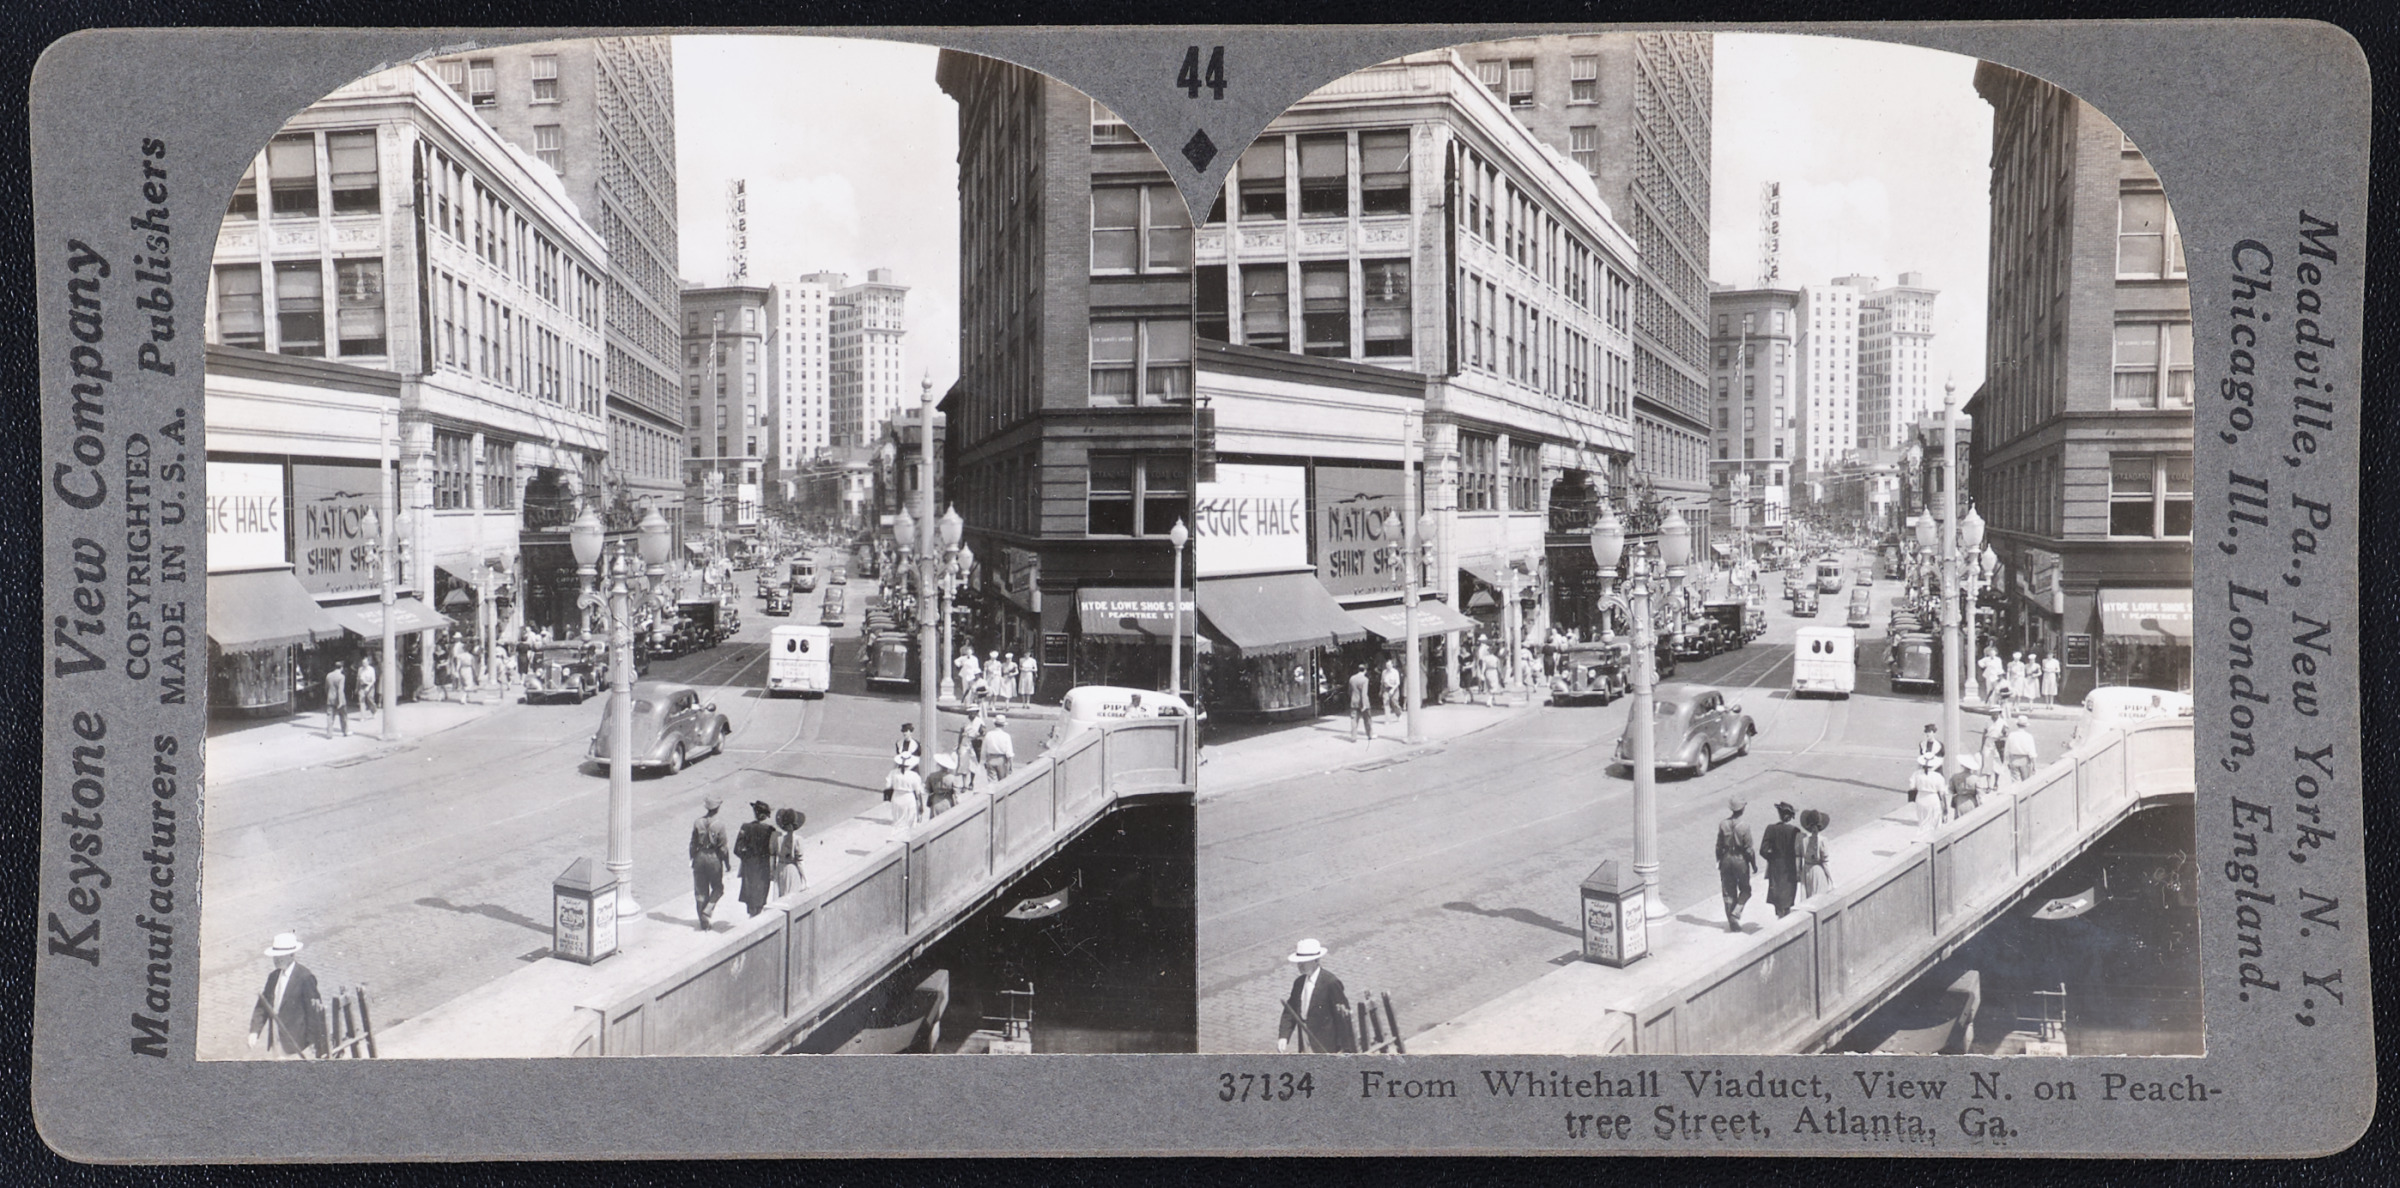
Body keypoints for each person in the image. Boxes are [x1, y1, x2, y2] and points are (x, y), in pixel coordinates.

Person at [248, 931, 327, 1059]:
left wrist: (314, 1044)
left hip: (297, 1046)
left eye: (281, 956)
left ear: (291, 954)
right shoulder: (273, 977)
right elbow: (263, 1006)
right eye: (275, 956)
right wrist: (254, 1031)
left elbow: (313, 1014)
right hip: (276, 1042)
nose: (277, 959)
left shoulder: (305, 977)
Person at [1275, 938, 1355, 1053]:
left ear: (1316, 961)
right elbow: (1290, 1011)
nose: (1300, 965)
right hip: (1306, 1042)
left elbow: (1342, 1018)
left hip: (1326, 1045)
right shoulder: (1299, 983)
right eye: (1299, 962)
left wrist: (1345, 1049)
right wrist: (1283, 1036)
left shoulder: (1330, 982)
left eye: (1304, 961)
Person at [1715, 798, 1757, 932]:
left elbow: (1718, 846)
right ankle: (1737, 911)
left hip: (1726, 859)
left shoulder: (1723, 824)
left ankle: (1731, 921)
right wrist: (1753, 864)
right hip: (1740, 860)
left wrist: (1719, 860)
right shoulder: (1745, 826)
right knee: (1746, 889)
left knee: (1728, 891)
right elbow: (1749, 849)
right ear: (1742, 809)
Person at [688, 794, 730, 929]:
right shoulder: (720, 825)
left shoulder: (697, 822)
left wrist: (693, 858)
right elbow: (723, 848)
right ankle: (709, 908)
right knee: (718, 888)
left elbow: (692, 843)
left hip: (699, 856)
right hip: (714, 857)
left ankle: (703, 922)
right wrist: (727, 863)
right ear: (717, 809)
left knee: (700, 891)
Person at [733, 800, 777, 917]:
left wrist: (747, 858)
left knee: (750, 899)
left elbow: (737, 849)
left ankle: (752, 918)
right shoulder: (770, 830)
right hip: (764, 868)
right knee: (761, 898)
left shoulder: (746, 827)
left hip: (749, 868)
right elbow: (773, 850)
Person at [1759, 802, 1804, 918]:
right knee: (1788, 897)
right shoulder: (1795, 831)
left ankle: (1780, 916)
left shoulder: (1771, 829)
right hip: (1790, 868)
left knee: (1777, 897)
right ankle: (1786, 916)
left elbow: (1763, 850)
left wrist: (1772, 858)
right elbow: (1799, 851)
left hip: (1776, 868)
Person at [771, 808, 806, 899]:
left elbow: (772, 857)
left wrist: (773, 871)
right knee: (792, 896)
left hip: (780, 869)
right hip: (791, 869)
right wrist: (806, 879)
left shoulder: (778, 839)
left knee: (781, 895)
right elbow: (800, 862)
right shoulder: (798, 840)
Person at [884, 753, 926, 827]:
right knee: (910, 822)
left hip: (896, 797)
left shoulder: (893, 773)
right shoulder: (914, 775)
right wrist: (921, 805)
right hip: (909, 798)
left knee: (897, 821)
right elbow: (918, 792)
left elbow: (887, 786)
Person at [1909, 753, 1949, 831]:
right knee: (1935, 823)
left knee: (1922, 822)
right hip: (1933, 799)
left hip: (1920, 798)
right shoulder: (1938, 776)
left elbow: (1912, 787)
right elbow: (1942, 793)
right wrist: (1945, 808)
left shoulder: (1916, 774)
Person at [1799, 809, 1833, 900]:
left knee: (1809, 897)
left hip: (1807, 872)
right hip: (1818, 872)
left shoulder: (1804, 841)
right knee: (1819, 898)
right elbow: (1825, 862)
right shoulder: (1822, 840)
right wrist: (1831, 880)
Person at [2005, 713, 2040, 782]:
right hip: (2025, 760)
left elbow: (2007, 750)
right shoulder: (2028, 736)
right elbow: (2032, 753)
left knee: (2015, 782)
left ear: (2017, 724)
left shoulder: (2011, 735)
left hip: (2013, 759)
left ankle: (2015, 792)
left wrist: (2007, 761)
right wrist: (2034, 766)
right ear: (2026, 726)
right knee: (2026, 782)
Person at [982, 713, 1016, 782]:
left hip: (990, 759)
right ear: (1003, 725)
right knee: (1002, 782)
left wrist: (985, 760)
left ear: (995, 724)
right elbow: (1009, 753)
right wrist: (1011, 766)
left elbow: (984, 749)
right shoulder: (1006, 736)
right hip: (1002, 760)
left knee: (991, 782)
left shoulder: (989, 734)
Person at [1347, 666, 1375, 742]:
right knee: (1367, 719)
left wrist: (1353, 697)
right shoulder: (1365, 680)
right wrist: (1364, 704)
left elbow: (1349, 690)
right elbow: (1364, 693)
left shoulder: (1352, 678)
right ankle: (1369, 734)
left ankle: (1353, 737)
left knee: (1354, 720)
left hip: (1354, 701)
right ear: (1365, 670)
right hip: (1363, 702)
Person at [323, 662, 349, 738]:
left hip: (330, 698)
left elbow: (326, 687)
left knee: (330, 716)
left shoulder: (328, 675)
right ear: (342, 668)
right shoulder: (341, 677)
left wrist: (328, 695)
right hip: (339, 699)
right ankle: (345, 731)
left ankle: (329, 734)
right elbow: (340, 690)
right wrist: (340, 701)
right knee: (343, 716)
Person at [1381, 657, 1403, 722]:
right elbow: (1382, 681)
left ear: (1392, 665)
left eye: (1389, 665)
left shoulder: (1395, 672)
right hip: (1386, 689)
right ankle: (1387, 719)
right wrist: (1381, 690)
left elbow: (1398, 683)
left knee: (1394, 702)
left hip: (1394, 688)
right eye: (1387, 665)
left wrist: (1392, 689)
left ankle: (1399, 714)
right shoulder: (1384, 672)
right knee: (1386, 703)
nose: (1388, 666)